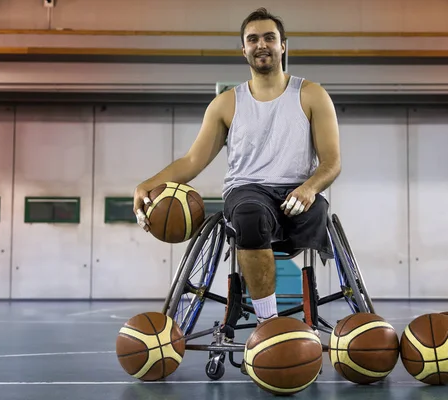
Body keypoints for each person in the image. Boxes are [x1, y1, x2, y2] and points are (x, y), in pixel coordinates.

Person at [133, 8, 341, 327]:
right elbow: (191, 161)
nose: (262, 44)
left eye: (269, 37)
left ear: (283, 45)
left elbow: (331, 162)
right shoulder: (227, 104)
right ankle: (269, 325)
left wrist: (310, 188)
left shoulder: (312, 94)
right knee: (249, 214)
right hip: (248, 192)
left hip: (299, 191)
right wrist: (146, 184)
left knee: (317, 211)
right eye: (253, 39)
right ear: (243, 49)